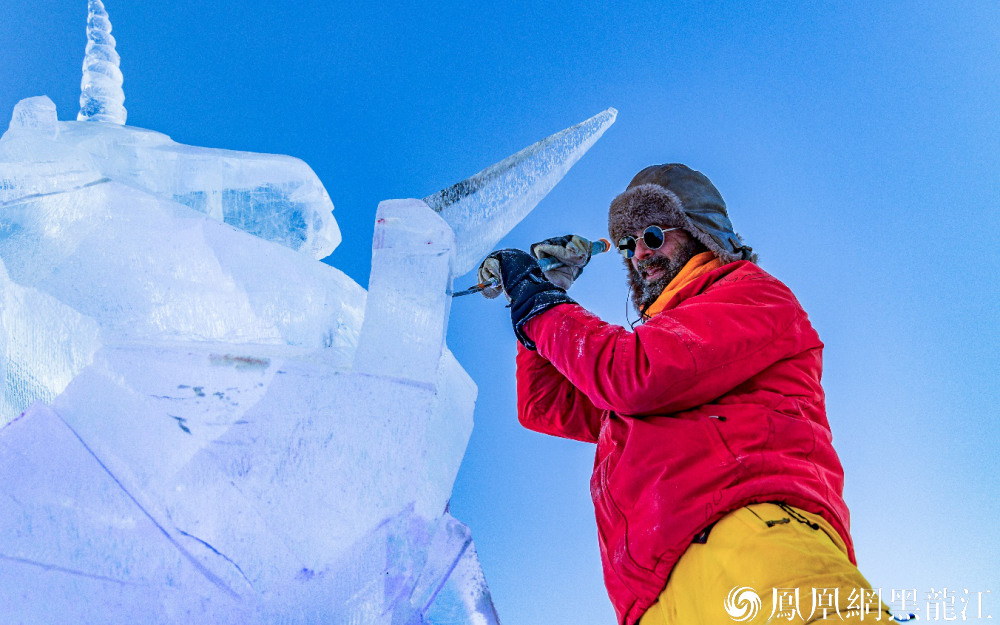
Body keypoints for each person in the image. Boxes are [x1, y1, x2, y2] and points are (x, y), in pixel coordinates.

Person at [478, 164, 895, 624]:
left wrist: (539, 302)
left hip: (756, 547)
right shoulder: (664, 346)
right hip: (654, 599)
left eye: (654, 235)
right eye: (628, 244)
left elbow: (630, 374)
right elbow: (545, 406)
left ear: (700, 233)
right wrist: (546, 297)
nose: (640, 253)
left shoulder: (750, 293)